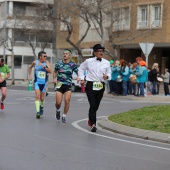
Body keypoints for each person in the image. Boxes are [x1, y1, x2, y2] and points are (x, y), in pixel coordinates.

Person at [78, 44, 111, 132]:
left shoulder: (107, 62)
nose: (101, 53)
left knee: (96, 105)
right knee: (92, 104)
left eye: (102, 51)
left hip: (100, 85)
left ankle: (90, 118)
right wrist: (81, 78)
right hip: (90, 85)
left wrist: (106, 77)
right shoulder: (88, 61)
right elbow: (80, 69)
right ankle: (93, 124)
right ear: (95, 52)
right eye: (99, 51)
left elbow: (109, 74)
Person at [53, 49, 78, 123]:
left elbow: (78, 72)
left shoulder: (73, 64)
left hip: (68, 85)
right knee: (58, 103)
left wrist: (79, 78)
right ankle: (58, 110)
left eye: (66, 54)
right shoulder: (58, 63)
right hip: (59, 84)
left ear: (69, 55)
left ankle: (64, 116)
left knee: (67, 101)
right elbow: (55, 71)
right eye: (63, 53)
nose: (64, 55)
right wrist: (54, 78)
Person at [28, 51, 52, 119]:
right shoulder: (35, 62)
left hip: (44, 83)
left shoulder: (46, 62)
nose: (45, 57)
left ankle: (41, 107)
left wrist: (44, 67)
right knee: (37, 96)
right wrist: (30, 76)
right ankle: (38, 112)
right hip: (37, 82)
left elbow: (50, 71)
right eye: (44, 56)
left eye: (46, 56)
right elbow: (30, 68)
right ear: (40, 57)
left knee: (42, 98)